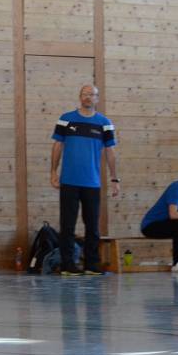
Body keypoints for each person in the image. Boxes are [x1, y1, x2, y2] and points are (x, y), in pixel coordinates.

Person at [49, 84, 119, 277]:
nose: (88, 97)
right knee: (67, 225)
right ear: (80, 97)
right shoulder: (66, 119)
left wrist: (114, 178)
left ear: (97, 98)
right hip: (69, 181)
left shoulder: (104, 123)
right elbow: (57, 146)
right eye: (85, 94)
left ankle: (92, 264)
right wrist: (53, 172)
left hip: (92, 183)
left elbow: (110, 152)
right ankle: (67, 265)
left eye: (92, 94)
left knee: (92, 226)